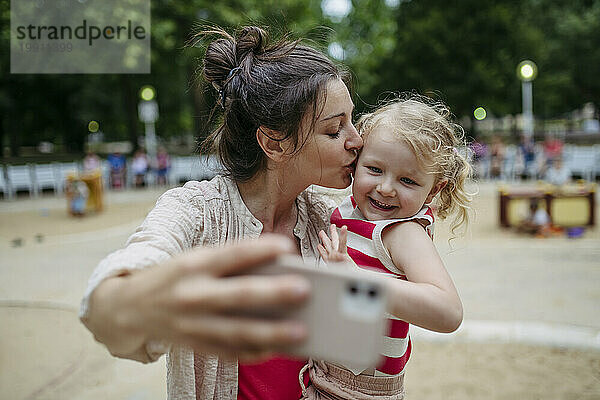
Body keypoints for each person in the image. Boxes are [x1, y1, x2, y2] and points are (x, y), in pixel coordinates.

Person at [79, 25, 362, 400]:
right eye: (334, 130)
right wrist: (130, 301)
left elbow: (362, 347)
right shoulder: (196, 212)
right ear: (273, 142)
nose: (357, 140)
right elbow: (112, 298)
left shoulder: (331, 218)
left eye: (352, 121)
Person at [309, 96, 471, 399]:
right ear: (355, 163)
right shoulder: (349, 210)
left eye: (407, 180)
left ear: (433, 189)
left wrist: (361, 282)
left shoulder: (402, 232)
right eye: (374, 169)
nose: (385, 187)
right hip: (319, 377)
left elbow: (449, 312)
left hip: (360, 391)